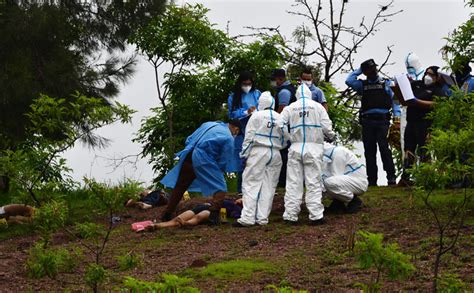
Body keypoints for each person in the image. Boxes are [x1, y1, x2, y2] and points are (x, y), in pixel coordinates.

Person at [160, 120, 241, 222]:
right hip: (204, 158)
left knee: (181, 185)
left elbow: (189, 139)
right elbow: (224, 160)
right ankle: (214, 216)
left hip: (189, 154)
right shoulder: (228, 138)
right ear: (236, 129)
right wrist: (217, 171)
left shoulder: (209, 124)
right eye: (236, 133)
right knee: (220, 187)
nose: (235, 134)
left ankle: (167, 214)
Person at [281, 84, 335, 225]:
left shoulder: (290, 107)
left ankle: (290, 216)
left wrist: (288, 137)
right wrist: (331, 135)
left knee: (293, 182)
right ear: (309, 94)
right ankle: (316, 215)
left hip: (295, 147)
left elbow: (279, 124)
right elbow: (327, 127)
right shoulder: (318, 107)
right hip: (314, 147)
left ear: (297, 95)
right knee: (313, 182)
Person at [234, 92, 289, 227]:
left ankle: (247, 218)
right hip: (275, 153)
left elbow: (249, 137)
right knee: (269, 186)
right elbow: (286, 138)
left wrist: (244, 155)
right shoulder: (279, 117)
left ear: (261, 103)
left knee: (251, 184)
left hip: (258, 151)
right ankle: (262, 218)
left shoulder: (256, 116)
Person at [345, 59, 400, 186]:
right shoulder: (362, 85)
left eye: (374, 68)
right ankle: (372, 180)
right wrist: (359, 70)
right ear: (365, 72)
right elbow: (348, 80)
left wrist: (397, 118)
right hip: (367, 121)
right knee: (369, 151)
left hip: (383, 121)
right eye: (369, 70)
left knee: (385, 150)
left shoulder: (386, 83)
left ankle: (391, 178)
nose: (373, 71)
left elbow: (395, 101)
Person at [398, 66, 449, 185]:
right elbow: (404, 96)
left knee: (424, 151)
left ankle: (426, 178)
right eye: (426, 73)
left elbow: (437, 104)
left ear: (437, 78)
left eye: (431, 74)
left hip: (425, 124)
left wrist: (417, 102)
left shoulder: (438, 90)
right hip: (411, 122)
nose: (428, 76)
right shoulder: (416, 85)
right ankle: (405, 177)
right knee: (408, 150)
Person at [227, 71, 261, 194]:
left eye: (249, 84)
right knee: (242, 163)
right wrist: (246, 112)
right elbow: (231, 115)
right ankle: (240, 191)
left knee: (257, 161)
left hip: (257, 133)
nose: (247, 86)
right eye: (244, 84)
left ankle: (257, 191)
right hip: (242, 133)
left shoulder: (257, 94)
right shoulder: (233, 96)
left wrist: (256, 111)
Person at [322, 143, 368, 214]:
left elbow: (336, 177)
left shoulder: (337, 152)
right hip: (347, 181)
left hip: (358, 182)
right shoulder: (325, 157)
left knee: (329, 183)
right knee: (326, 184)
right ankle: (338, 205)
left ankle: (353, 200)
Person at [145, 199, 243, 231]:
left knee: (202, 215)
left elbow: (235, 216)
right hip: (210, 206)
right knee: (188, 213)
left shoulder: (242, 210)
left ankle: (187, 223)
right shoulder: (234, 201)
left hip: (219, 213)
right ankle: (160, 225)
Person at [270, 68, 295, 188]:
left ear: (280, 79)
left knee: (283, 153)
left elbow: (282, 109)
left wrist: (275, 123)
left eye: (274, 80)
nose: (273, 82)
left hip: (286, 126)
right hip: (290, 126)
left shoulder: (284, 91)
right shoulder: (288, 88)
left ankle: (283, 181)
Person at [401, 53, 425, 155]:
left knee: (423, 147)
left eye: (411, 66)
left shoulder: (425, 77)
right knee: (406, 145)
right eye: (408, 67)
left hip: (422, 116)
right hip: (407, 114)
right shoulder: (405, 77)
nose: (409, 69)